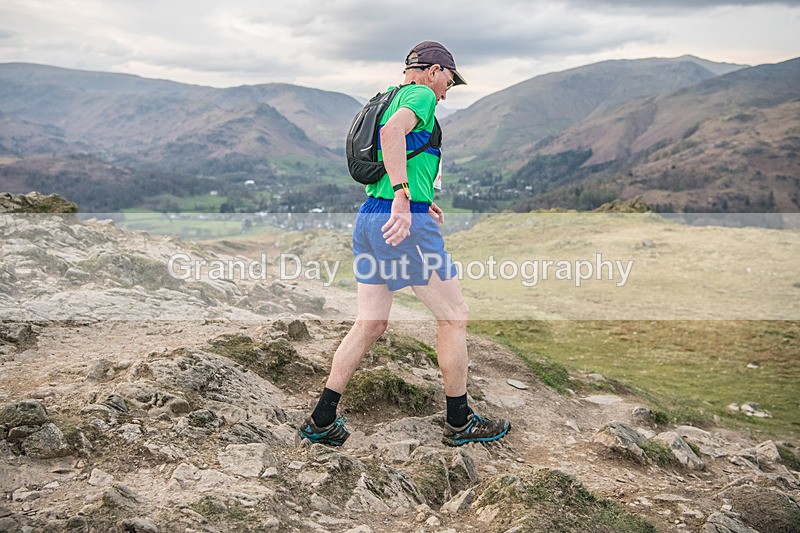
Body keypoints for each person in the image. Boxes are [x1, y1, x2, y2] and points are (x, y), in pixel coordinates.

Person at [298, 41, 511, 447]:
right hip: (402, 222)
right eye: (450, 80)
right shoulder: (421, 95)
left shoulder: (391, 96)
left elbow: (404, 150)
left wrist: (420, 198)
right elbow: (391, 133)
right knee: (454, 316)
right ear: (433, 71)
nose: (448, 90)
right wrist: (403, 197)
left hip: (370, 218)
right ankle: (460, 421)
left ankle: (321, 420)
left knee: (370, 323)